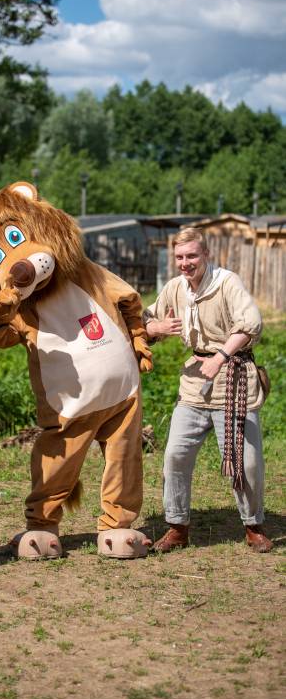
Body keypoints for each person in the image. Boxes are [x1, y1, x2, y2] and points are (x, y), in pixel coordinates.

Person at [144, 227, 273, 554]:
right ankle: (177, 527)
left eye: (191, 256)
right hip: (193, 386)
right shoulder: (174, 288)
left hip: (233, 381)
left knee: (246, 462)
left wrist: (220, 357)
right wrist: (156, 328)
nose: (185, 263)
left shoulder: (226, 282)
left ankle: (253, 525)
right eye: (180, 257)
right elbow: (143, 321)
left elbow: (250, 323)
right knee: (175, 454)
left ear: (206, 255)